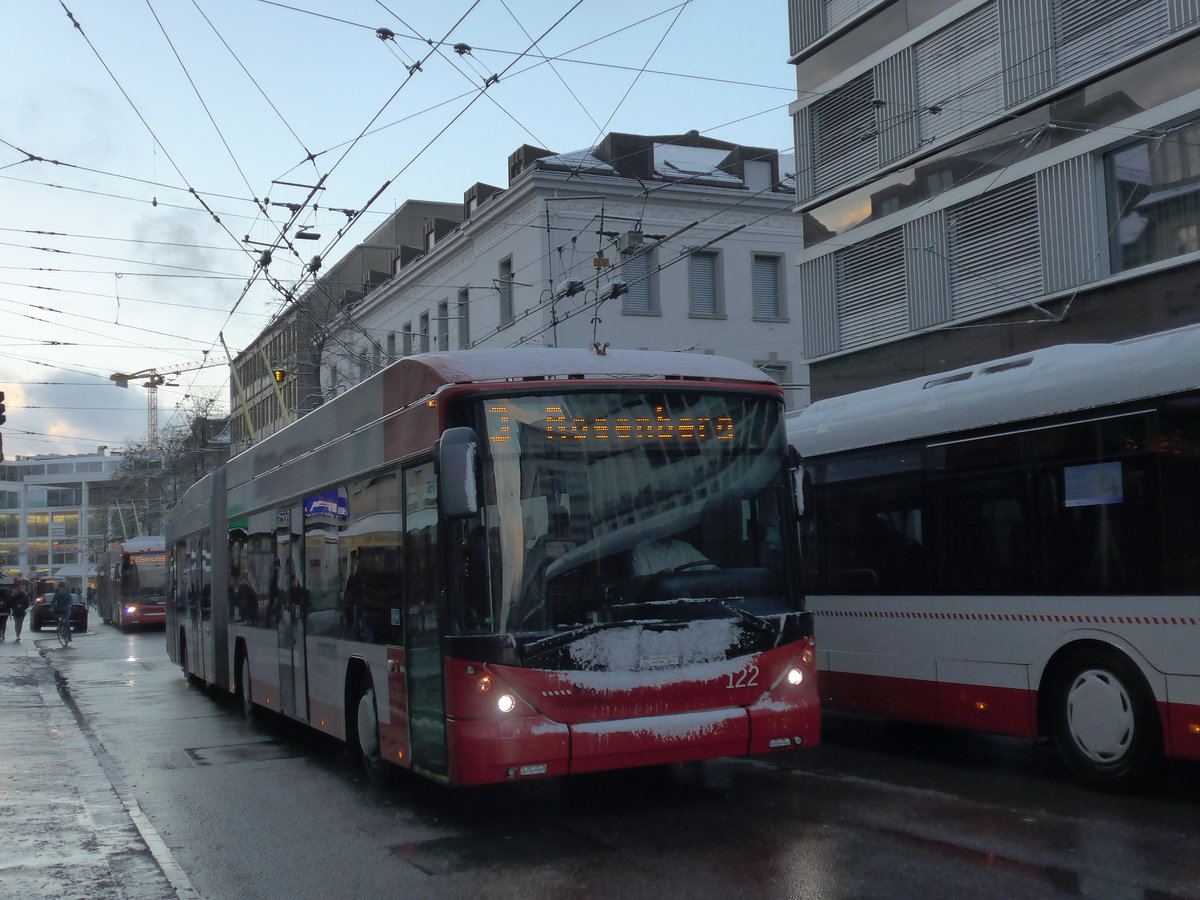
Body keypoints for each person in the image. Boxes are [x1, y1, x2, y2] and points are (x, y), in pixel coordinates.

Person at [632, 535, 713, 577]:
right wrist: (660, 578)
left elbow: (711, 569)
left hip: (692, 600)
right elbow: (641, 582)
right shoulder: (641, 549)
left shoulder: (685, 547)